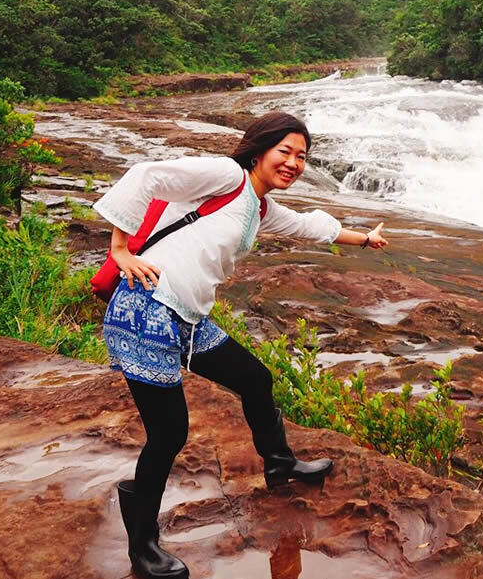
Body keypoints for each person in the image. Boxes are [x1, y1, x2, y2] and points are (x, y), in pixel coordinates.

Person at [93, 112, 388, 579]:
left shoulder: (260, 206)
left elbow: (311, 226)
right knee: (169, 433)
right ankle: (142, 545)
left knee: (255, 378)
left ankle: (279, 464)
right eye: (285, 151)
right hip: (145, 310)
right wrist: (120, 250)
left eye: (302, 156)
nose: (293, 163)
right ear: (259, 150)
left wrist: (363, 238)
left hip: (187, 319)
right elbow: (146, 175)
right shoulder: (228, 176)